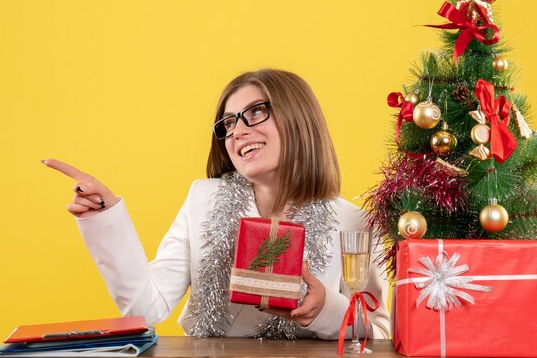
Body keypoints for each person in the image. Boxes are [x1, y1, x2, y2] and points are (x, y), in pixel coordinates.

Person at [43, 68, 390, 340]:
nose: (237, 131)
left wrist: (326, 310)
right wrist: (107, 219)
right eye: (228, 122)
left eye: (255, 113)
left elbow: (381, 330)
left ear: (298, 118)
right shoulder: (203, 201)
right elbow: (146, 307)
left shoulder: (355, 221)